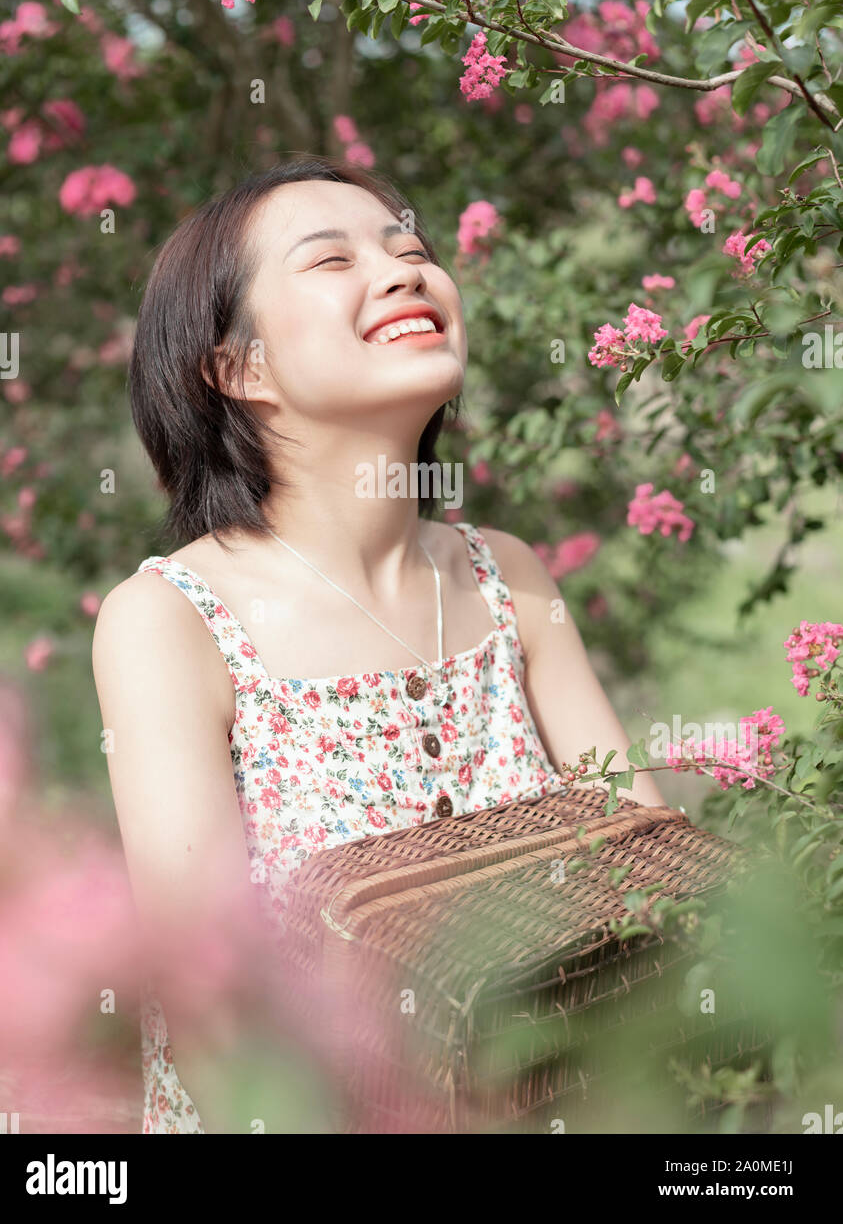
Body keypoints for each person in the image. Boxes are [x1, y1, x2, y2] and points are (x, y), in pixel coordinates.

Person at [92, 155, 665, 1134]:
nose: (405, 271)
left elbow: (652, 879)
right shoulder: (170, 619)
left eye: (411, 250)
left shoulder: (511, 578)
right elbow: (215, 1013)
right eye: (331, 260)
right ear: (238, 367)